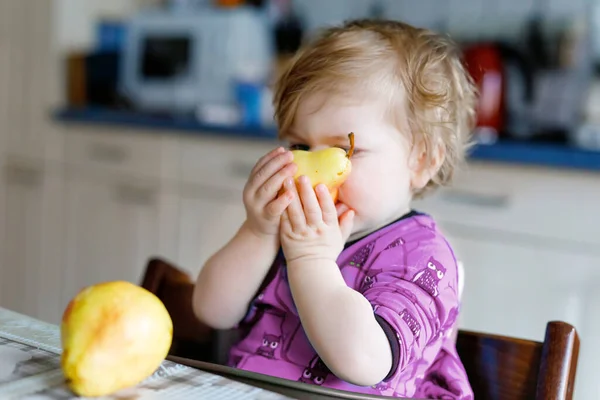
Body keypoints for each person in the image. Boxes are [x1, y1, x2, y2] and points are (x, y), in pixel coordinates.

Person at [193, 18, 477, 399]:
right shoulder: (289, 228)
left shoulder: (423, 257)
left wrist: (311, 260)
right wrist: (257, 230)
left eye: (343, 150)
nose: (310, 170)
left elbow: (363, 361)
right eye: (299, 146)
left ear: (421, 161)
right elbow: (212, 311)